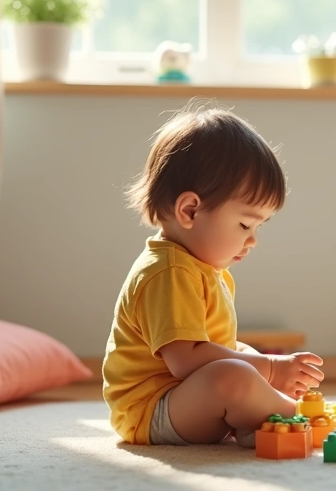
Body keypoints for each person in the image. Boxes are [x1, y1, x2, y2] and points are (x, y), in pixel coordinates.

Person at [103, 102, 324, 447]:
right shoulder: (169, 271)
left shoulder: (202, 269)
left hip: (183, 400)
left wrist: (261, 370)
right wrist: (269, 368)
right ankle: (293, 416)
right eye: (245, 224)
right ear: (190, 210)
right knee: (234, 375)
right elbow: (186, 359)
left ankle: (257, 418)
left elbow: (216, 347)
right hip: (150, 411)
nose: (252, 240)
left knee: (240, 362)